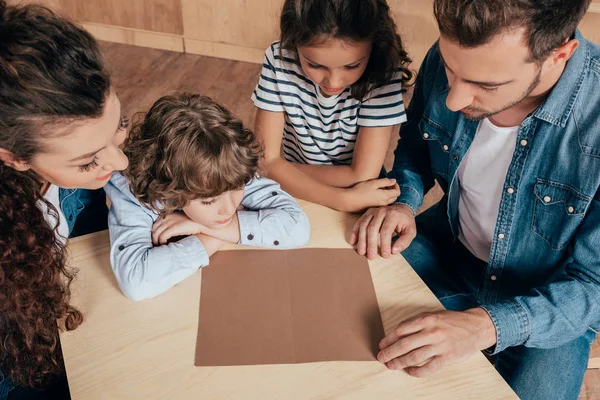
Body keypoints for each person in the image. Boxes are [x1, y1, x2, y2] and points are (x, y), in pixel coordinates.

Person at [350, 0, 599, 398]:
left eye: (486, 85)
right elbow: (416, 143)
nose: (453, 99)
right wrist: (405, 200)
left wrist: (485, 326)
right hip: (446, 251)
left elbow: (594, 286)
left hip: (550, 302)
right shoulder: (458, 53)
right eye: (451, 71)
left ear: (559, 55)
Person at [0, 1, 129, 398]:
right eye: (89, 161)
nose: (120, 161)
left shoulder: (63, 166)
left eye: (119, 126)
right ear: (15, 158)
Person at [105, 93, 311, 301]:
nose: (228, 209)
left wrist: (204, 227)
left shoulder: (228, 167)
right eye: (208, 201)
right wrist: (213, 237)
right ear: (169, 187)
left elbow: (297, 227)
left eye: (238, 189)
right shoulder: (131, 192)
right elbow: (136, 283)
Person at [252, 0, 413, 212]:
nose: (333, 83)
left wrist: (278, 169)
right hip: (319, 194)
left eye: (352, 66)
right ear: (293, 40)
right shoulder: (279, 58)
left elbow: (362, 175)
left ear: (375, 44)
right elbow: (265, 162)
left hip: (359, 196)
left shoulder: (383, 70)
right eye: (315, 65)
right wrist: (342, 199)